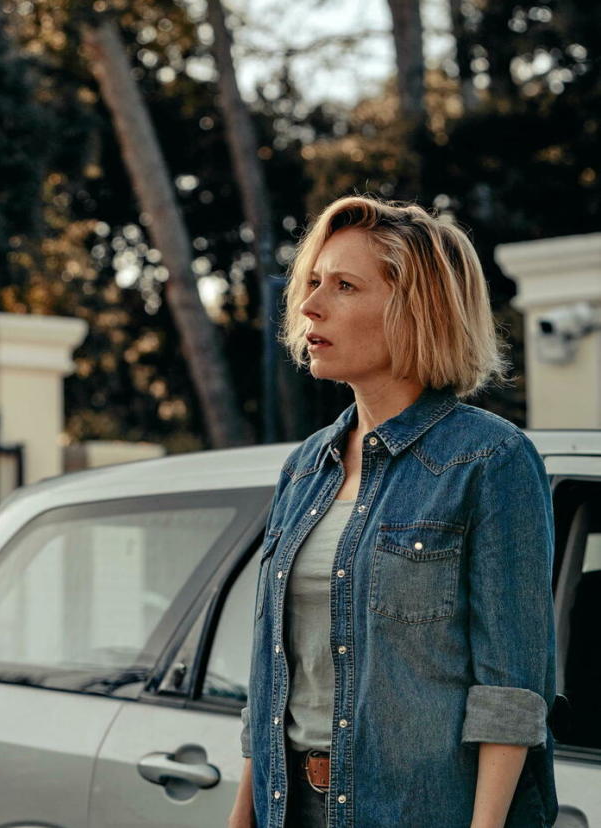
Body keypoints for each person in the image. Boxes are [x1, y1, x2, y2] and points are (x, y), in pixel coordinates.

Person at [227, 195, 557, 827]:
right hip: (291, 806)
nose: (310, 305)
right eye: (314, 282)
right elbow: (272, 681)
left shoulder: (490, 459)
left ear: (415, 309)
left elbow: (511, 696)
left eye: (344, 286)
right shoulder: (305, 467)